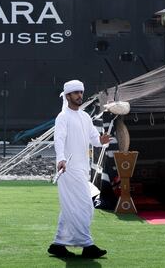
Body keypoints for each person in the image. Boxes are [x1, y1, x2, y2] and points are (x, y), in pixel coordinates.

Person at [48, 80, 110, 259]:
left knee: (72, 207)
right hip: (67, 168)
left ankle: (58, 244)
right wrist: (60, 159)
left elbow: (94, 139)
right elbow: (58, 139)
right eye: (75, 93)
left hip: (83, 169)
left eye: (81, 92)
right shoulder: (63, 117)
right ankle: (87, 245)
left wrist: (102, 140)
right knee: (84, 206)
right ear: (67, 96)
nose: (79, 96)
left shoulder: (84, 117)